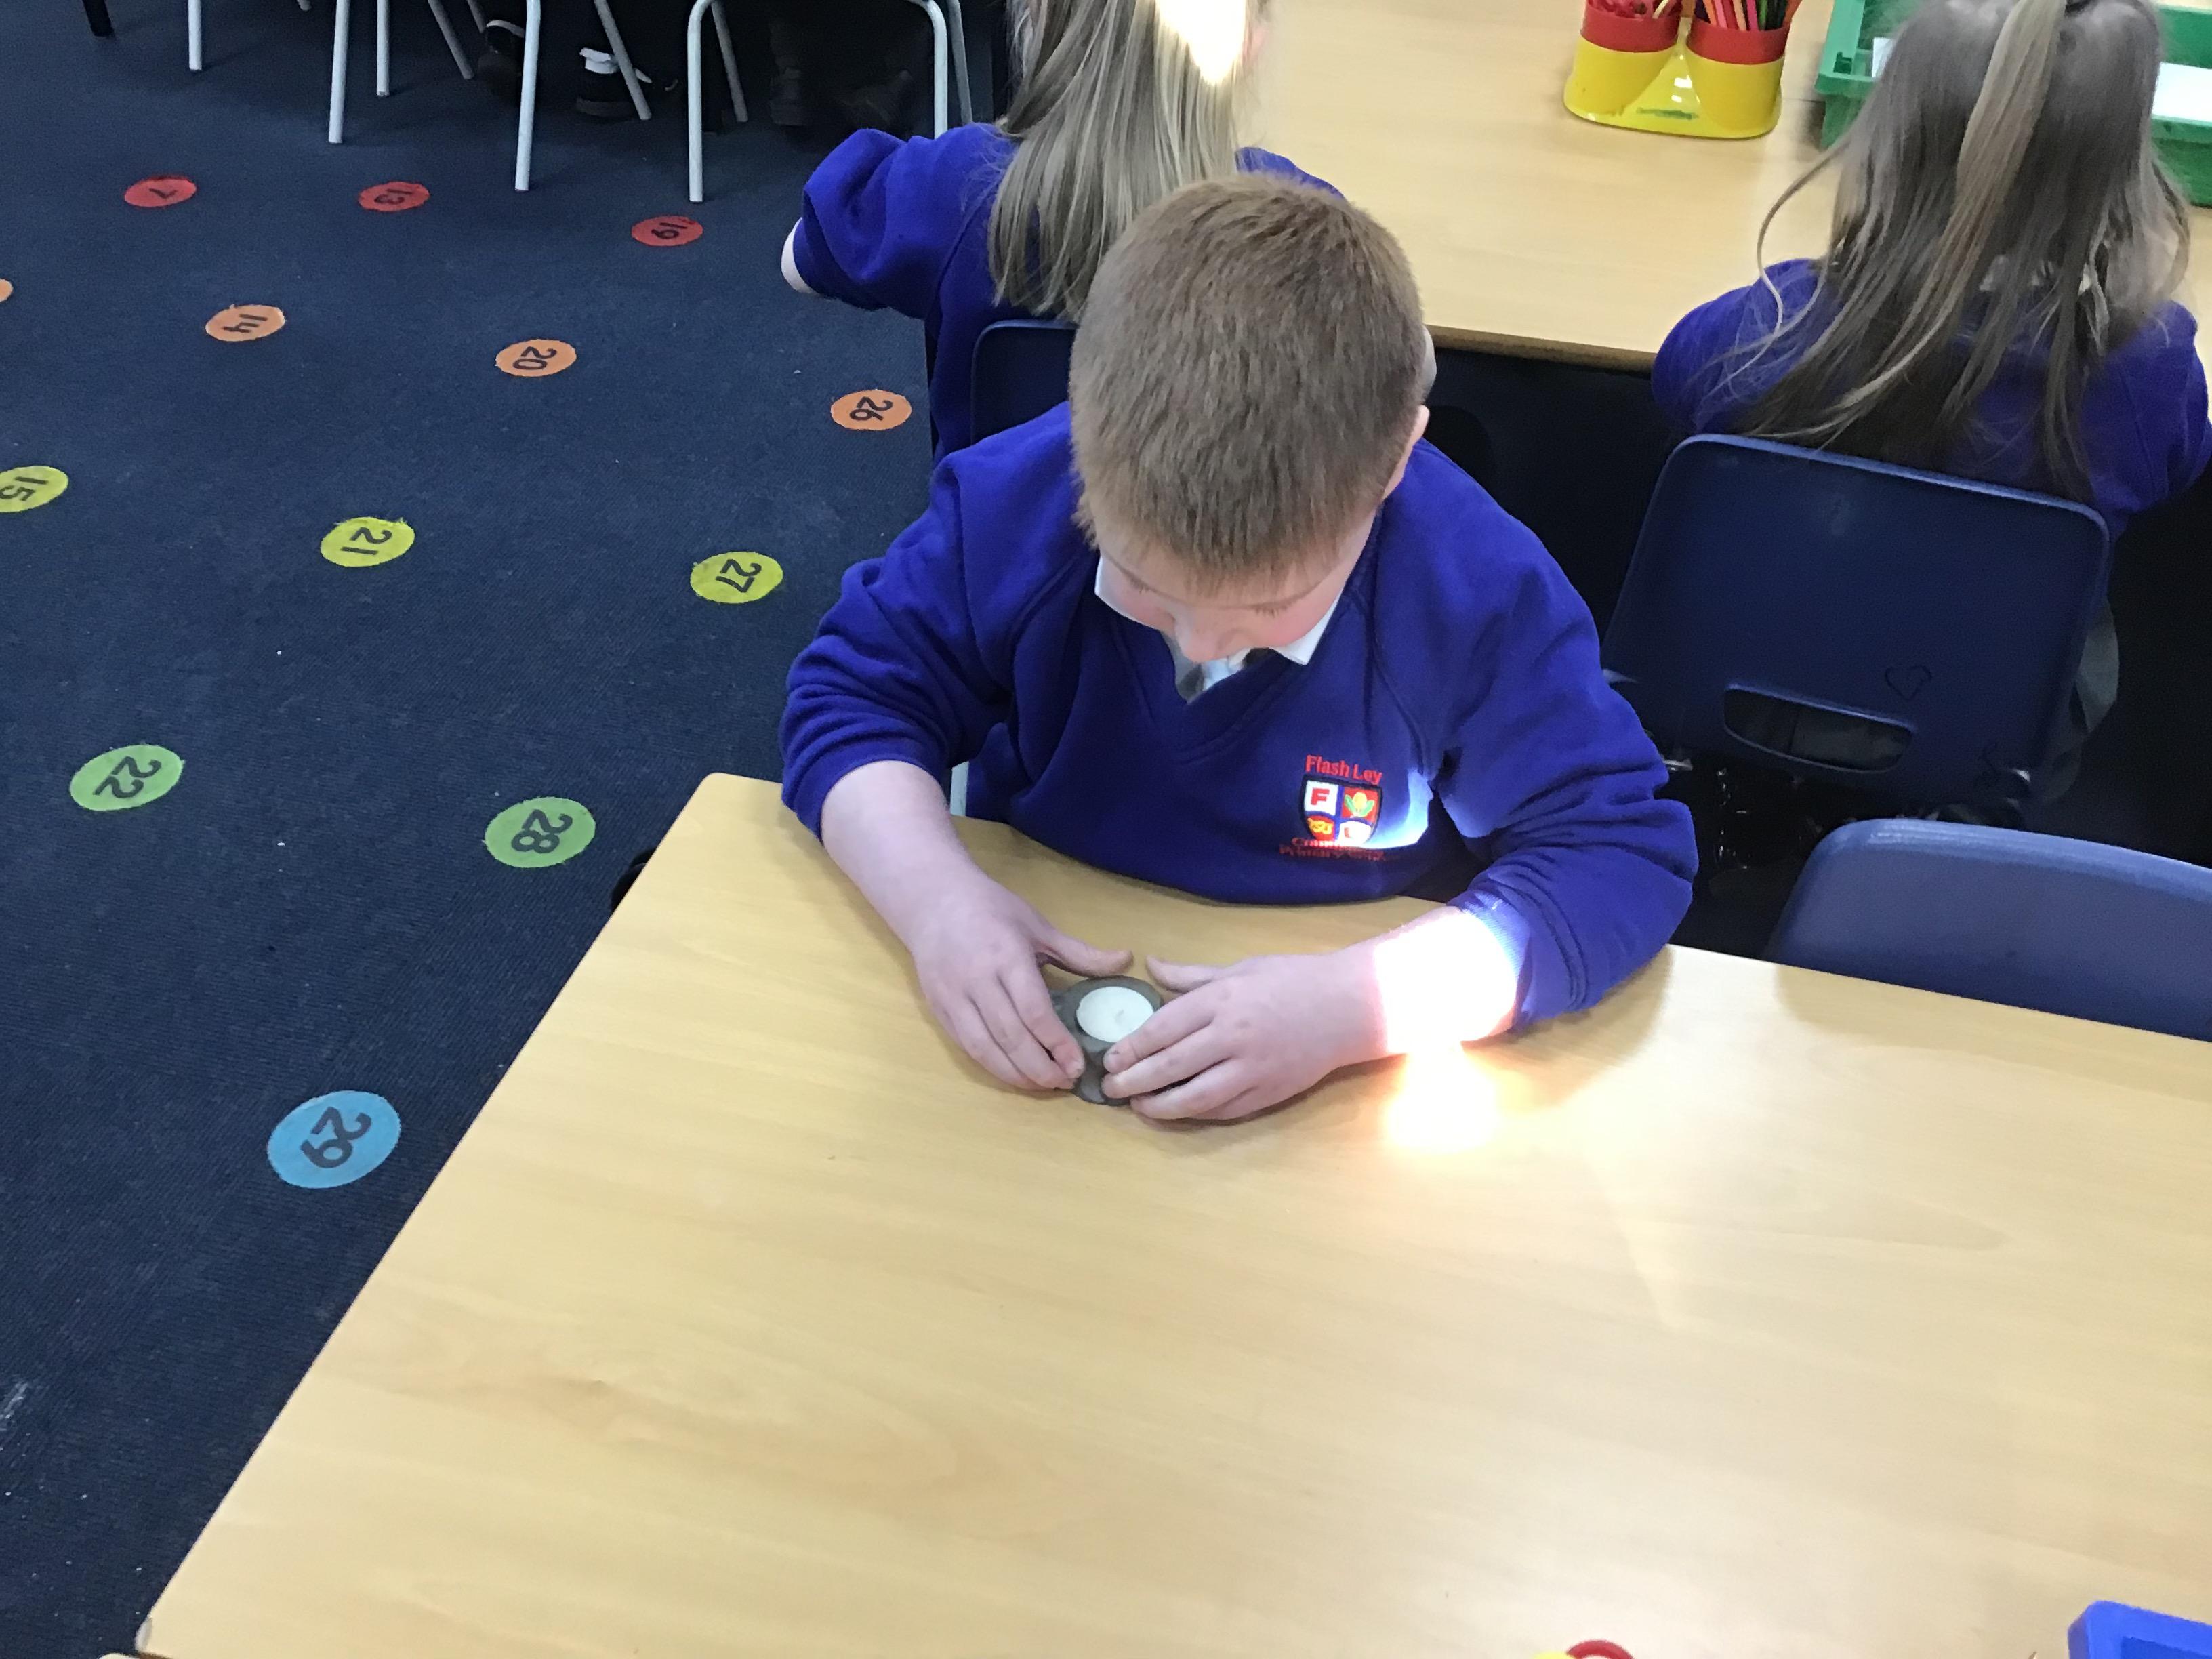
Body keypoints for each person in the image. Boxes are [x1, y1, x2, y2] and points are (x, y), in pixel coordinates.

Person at [779, 179, 1696, 1125]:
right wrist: (936, 904)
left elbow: (1616, 852)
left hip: (1335, 1048)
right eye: (1142, 585)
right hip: (1048, 991)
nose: (1199, 642)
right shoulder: (1012, 503)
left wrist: (1360, 1006)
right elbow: (855, 700)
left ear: (1394, 464)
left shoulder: (1477, 590)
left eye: (1270, 607)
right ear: (1081, 429)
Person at [1652, 0, 2210, 776]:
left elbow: (1673, 385)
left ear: (1884, 142)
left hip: (1740, 697)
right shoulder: (2149, 370)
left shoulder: (1771, 324)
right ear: (2127, 174)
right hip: (1992, 735)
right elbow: (2178, 470)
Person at [778, 0, 1331, 455]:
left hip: (994, 539)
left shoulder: (957, 182)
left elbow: (799, 265)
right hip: (1202, 543)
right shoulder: (1297, 221)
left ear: (1034, 17)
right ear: (1251, 43)